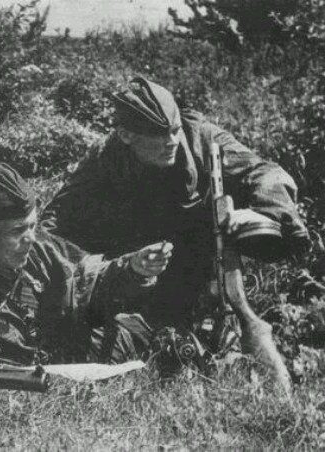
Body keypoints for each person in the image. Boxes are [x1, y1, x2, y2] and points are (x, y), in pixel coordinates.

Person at [42, 77, 310, 330]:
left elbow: (266, 173)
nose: (171, 142)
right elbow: (56, 218)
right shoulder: (105, 158)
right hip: (137, 264)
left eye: (174, 130)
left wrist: (263, 213)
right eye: (159, 134)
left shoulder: (202, 138)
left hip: (198, 263)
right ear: (126, 135)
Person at [0, 162, 173, 365]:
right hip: (10, 372)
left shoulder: (42, 249)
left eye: (32, 225)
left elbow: (89, 279)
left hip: (53, 359)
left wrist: (133, 268)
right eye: (17, 230)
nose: (30, 238)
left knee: (126, 328)